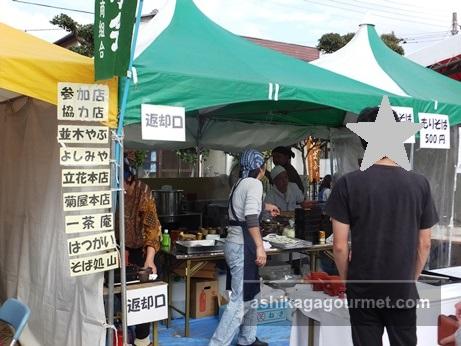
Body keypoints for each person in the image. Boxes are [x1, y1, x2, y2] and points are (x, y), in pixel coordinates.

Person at [325, 107, 439, 346]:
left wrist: (349, 282)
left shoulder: (348, 184)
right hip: (401, 287)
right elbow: (425, 243)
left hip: (363, 287)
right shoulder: (419, 184)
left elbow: (339, 245)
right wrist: (409, 278)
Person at [210, 149, 276, 346]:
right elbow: (250, 218)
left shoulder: (239, 183)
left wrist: (266, 206)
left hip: (234, 244)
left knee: (252, 293)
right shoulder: (255, 183)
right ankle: (218, 343)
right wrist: (260, 247)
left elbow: (244, 205)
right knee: (239, 301)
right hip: (242, 246)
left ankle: (247, 338)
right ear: (260, 168)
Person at [121, 162, 161, 346]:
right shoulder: (110, 193)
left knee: (141, 296)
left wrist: (149, 260)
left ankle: (142, 340)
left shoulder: (142, 192)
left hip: (141, 251)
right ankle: (121, 332)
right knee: (118, 295)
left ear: (129, 178)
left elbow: (152, 228)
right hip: (117, 249)